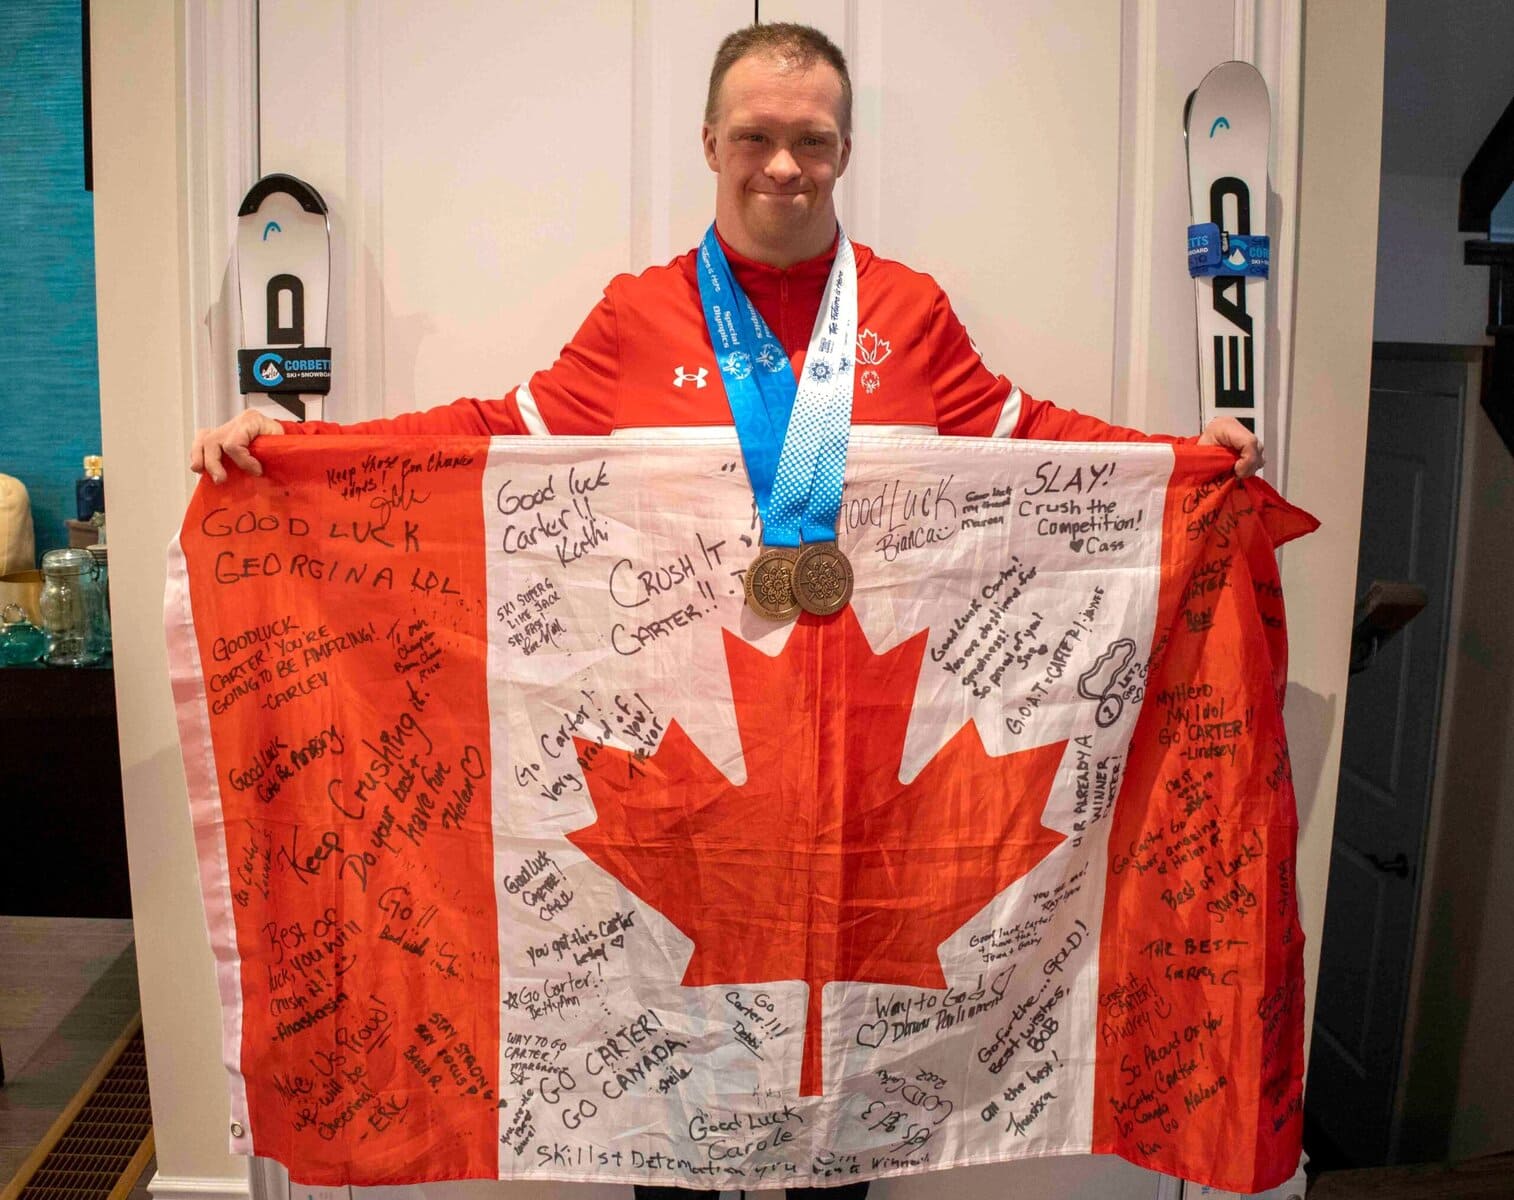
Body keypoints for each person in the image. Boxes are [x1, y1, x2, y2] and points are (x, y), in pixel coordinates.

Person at [190, 22, 1261, 1200]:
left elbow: (1033, 442)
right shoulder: (640, 314)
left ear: (845, 149)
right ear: (710, 141)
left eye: (811, 140)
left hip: (870, 799)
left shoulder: (906, 309)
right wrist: (307, 449)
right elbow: (494, 434)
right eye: (755, 136)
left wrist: (1181, 458)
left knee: (850, 1116)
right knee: (677, 1103)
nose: (783, 166)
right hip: (690, 790)